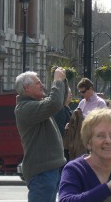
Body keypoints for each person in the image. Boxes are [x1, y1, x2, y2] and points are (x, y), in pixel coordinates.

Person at [15, 69, 68, 202]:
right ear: (27, 88)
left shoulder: (35, 105)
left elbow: (60, 102)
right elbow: (55, 103)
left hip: (48, 169)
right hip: (42, 171)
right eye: (38, 83)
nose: (42, 85)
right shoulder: (25, 108)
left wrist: (62, 80)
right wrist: (57, 81)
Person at [53, 90, 73, 161]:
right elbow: (59, 129)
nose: (71, 94)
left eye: (71, 92)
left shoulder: (67, 108)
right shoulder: (60, 110)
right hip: (63, 147)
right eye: (68, 93)